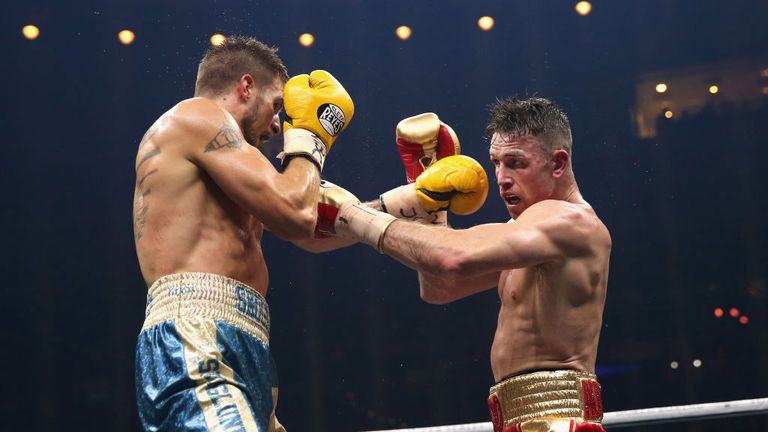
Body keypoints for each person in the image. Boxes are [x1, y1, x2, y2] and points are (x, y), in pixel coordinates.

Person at [322, 98, 611, 432]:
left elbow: (451, 259)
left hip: (558, 420)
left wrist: (355, 215)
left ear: (557, 163)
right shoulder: (528, 238)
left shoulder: (569, 221)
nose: (502, 178)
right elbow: (439, 287)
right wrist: (431, 205)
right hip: (522, 419)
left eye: (516, 163)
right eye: (496, 163)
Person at [132, 35, 354, 432]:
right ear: (246, 86)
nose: (278, 124)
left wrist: (407, 204)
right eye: (278, 106)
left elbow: (310, 233)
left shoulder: (230, 158)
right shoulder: (197, 116)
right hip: (196, 332)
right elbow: (297, 213)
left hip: (245, 341)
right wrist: (311, 138)